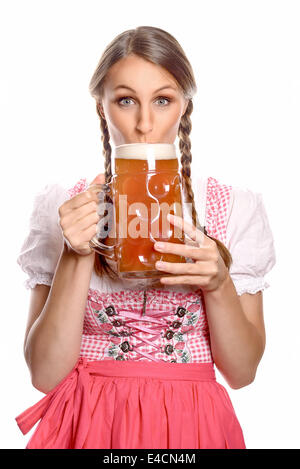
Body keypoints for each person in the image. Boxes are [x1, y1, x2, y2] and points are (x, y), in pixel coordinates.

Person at [15, 26, 276, 449]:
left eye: (162, 100)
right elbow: (45, 375)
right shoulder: (63, 206)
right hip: (88, 425)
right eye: (125, 100)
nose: (144, 124)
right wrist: (76, 253)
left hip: (193, 427)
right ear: (102, 108)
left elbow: (243, 373)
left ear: (184, 105)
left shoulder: (233, 207)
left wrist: (218, 282)